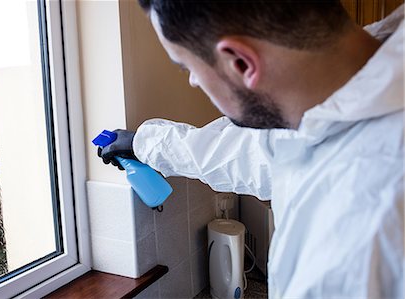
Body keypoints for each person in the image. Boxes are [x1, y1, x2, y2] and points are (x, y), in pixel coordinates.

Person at [98, 1, 404, 297]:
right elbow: (243, 151)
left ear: (241, 62)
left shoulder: (360, 227)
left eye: (186, 67)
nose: (193, 81)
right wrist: (143, 143)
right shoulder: (341, 95)